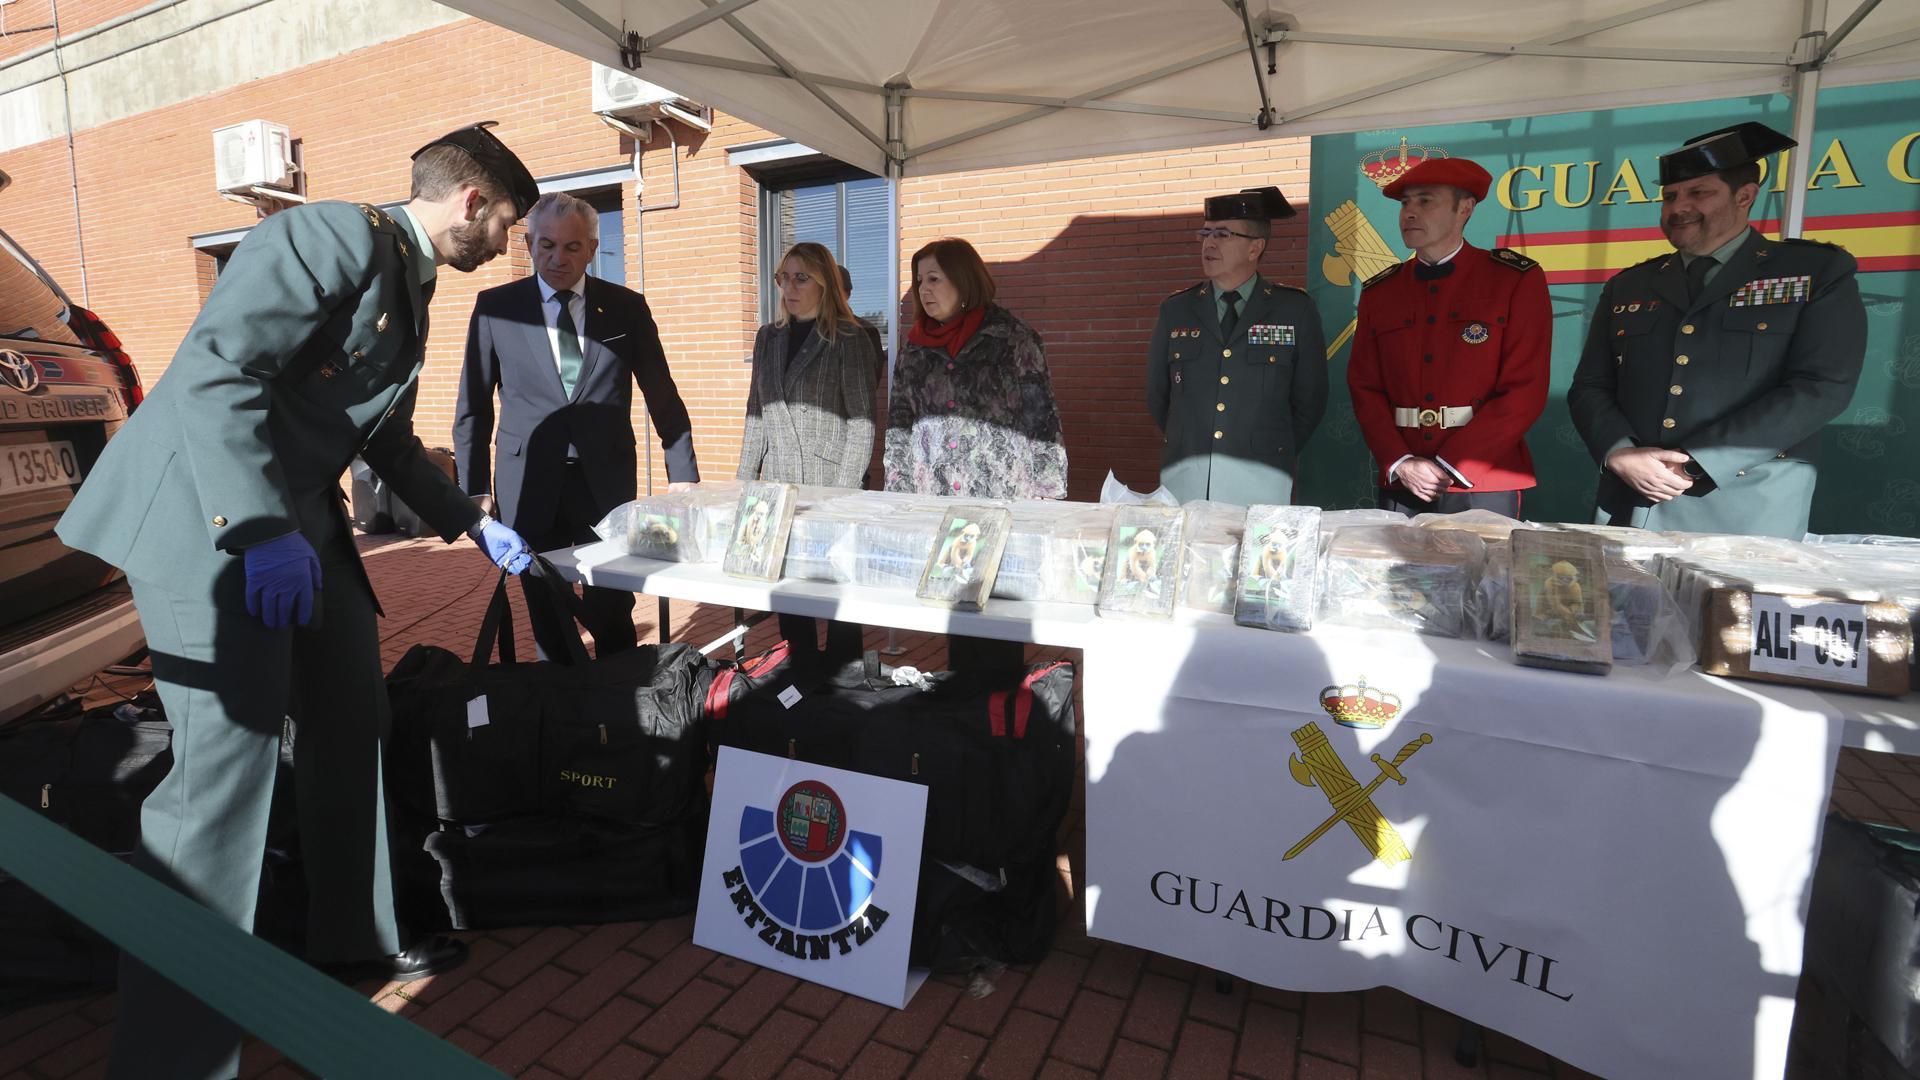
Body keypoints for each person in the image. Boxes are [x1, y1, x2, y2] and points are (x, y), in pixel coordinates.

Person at [55, 122, 541, 1080]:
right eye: (511, 226)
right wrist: (262, 531)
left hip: (295, 523)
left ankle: (350, 937)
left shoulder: (412, 281)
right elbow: (214, 375)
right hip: (209, 519)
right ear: (472, 203)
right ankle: (172, 1054)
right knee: (222, 786)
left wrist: (468, 518)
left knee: (353, 716)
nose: (509, 248)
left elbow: (388, 441)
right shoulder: (333, 237)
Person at [1568, 122, 1866, 539]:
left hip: (1747, 507)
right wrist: (1619, 453)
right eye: (1670, 196)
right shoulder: (1630, 284)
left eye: (1699, 193)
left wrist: (1698, 460)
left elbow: (1822, 386)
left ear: (1745, 196)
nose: (1678, 208)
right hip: (1634, 501)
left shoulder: (1812, 271)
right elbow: (1591, 385)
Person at [455, 191, 699, 658]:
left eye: (571, 247)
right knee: (545, 603)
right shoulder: (496, 308)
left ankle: (620, 698)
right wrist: (473, 487)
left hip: (603, 483)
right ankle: (566, 705)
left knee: (612, 603)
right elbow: (473, 406)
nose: (557, 258)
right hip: (526, 482)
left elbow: (661, 393)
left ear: (591, 248)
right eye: (546, 245)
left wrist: (682, 472)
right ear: (528, 244)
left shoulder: (626, 308)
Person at [886, 236, 1066, 668]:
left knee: (1000, 617)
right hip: (939, 499)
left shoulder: (1014, 339)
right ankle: (966, 710)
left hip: (1000, 496)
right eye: (919, 280)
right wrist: (898, 490)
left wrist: (1048, 493)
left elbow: (1042, 418)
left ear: (964, 282)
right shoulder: (914, 348)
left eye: (934, 279)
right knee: (951, 613)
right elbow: (899, 423)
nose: (924, 289)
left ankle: (1003, 712)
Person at [1346, 158, 1551, 516]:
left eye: (1425, 201)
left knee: (1484, 573)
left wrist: (1454, 464)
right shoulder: (1381, 291)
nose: (1409, 212)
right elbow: (1364, 386)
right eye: (1405, 203)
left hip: (1483, 478)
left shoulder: (1514, 279)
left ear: (1465, 208)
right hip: (1403, 477)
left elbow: (1525, 388)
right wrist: (1400, 461)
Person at [739, 241, 880, 667]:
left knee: (837, 598)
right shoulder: (768, 337)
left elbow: (862, 421)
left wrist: (843, 495)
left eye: (802, 277)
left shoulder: (850, 337)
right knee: (791, 594)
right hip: (780, 485)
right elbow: (756, 414)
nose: (790, 287)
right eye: (784, 277)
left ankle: (842, 679)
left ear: (825, 284)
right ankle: (799, 677)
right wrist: (742, 487)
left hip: (831, 483)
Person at [1147, 185, 1327, 506]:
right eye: (1206, 233)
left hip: (1261, 481)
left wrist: (1270, 445)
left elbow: (1310, 401)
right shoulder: (1176, 309)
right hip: (1187, 479)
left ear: (1255, 248)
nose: (1209, 243)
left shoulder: (1294, 310)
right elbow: (1158, 395)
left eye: (1223, 235)